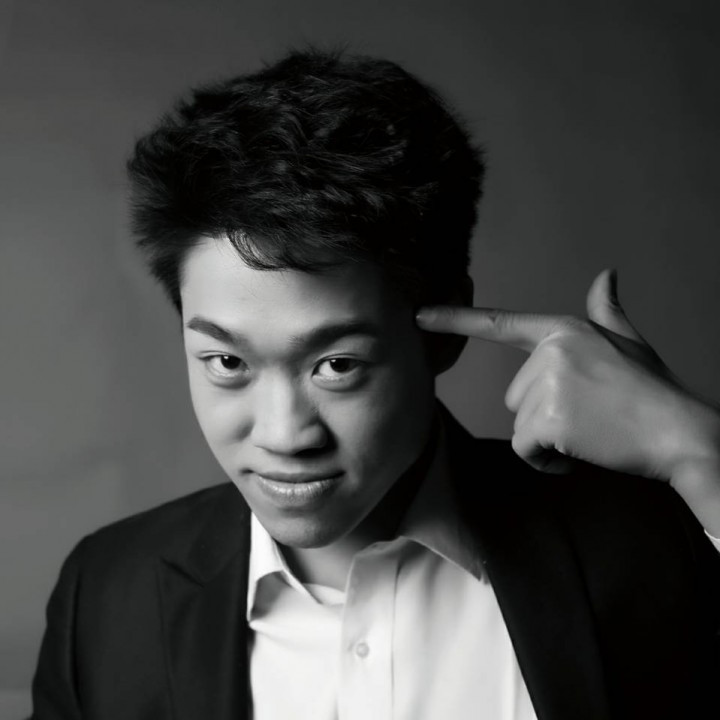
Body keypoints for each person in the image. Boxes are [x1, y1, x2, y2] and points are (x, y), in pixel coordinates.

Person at [29, 48, 720, 720]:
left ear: (442, 332)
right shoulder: (106, 593)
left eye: (337, 365)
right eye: (227, 363)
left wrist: (701, 452)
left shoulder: (648, 546)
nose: (284, 435)